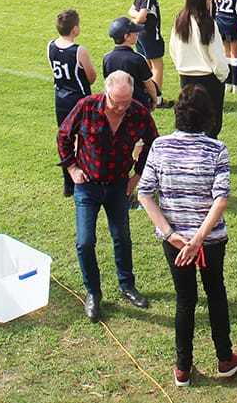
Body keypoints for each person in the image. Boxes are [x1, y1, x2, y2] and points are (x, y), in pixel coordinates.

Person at [137, 86, 237, 387]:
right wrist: (197, 239)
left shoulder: (160, 146)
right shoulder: (216, 149)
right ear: (208, 115)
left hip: (176, 242)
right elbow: (220, 199)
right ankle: (225, 358)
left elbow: (144, 194)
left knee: (185, 299)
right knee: (215, 292)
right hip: (209, 240)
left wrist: (172, 234)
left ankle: (183, 367)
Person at [58, 70, 159, 322]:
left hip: (118, 185)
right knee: (85, 241)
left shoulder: (138, 113)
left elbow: (153, 144)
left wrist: (137, 176)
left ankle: (127, 285)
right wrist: (72, 168)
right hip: (88, 185)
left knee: (122, 236)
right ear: (106, 92)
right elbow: (63, 135)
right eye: (116, 102)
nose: (121, 107)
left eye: (126, 102)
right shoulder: (87, 107)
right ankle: (93, 292)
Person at [169, 0, 230, 137]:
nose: (211, 1)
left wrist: (181, 67)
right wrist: (222, 75)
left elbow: (173, 49)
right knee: (211, 121)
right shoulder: (208, 23)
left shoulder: (179, 21)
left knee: (189, 118)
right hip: (208, 78)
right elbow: (217, 54)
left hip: (186, 77)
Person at [128, 0, 168, 107]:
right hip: (150, 34)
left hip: (140, 35)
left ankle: (146, 94)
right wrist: (137, 19)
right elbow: (141, 17)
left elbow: (131, 10)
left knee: (147, 65)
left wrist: (135, 18)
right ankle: (157, 98)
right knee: (157, 66)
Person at [104, 17, 159, 110]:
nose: (137, 33)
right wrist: (155, 100)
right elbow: (149, 85)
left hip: (117, 105)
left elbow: (107, 83)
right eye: (134, 32)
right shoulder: (138, 58)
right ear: (127, 37)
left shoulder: (107, 58)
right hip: (138, 105)